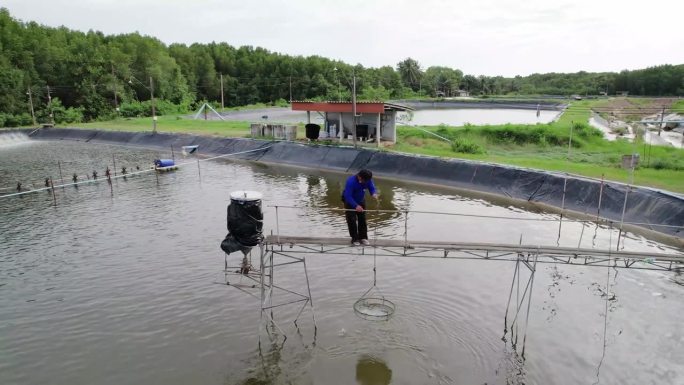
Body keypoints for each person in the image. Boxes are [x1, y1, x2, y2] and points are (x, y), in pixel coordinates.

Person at [342, 169, 379, 246]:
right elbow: (347, 196)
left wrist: (373, 193)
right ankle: (354, 239)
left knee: (362, 219)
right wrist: (355, 206)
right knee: (352, 220)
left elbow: (371, 187)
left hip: (361, 200)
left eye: (367, 180)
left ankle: (363, 238)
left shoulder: (367, 179)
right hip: (350, 201)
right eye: (364, 180)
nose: (366, 182)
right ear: (359, 176)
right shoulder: (351, 182)